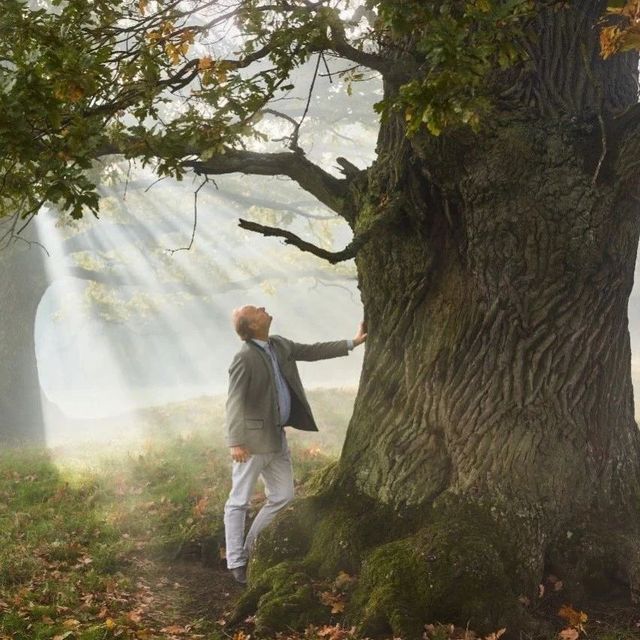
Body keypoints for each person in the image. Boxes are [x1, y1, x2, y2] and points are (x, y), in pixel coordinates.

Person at [223, 304, 366, 584]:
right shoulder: (244, 357)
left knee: (284, 496)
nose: (264, 308)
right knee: (238, 501)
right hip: (251, 443)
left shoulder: (279, 345)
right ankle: (236, 561)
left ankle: (252, 547)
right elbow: (234, 400)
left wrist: (354, 342)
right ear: (251, 325)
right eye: (257, 310)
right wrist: (235, 441)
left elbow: (312, 351)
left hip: (277, 439)